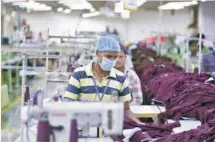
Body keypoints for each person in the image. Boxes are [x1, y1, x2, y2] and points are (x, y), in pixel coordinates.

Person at [64, 36, 143, 124]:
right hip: (83, 126)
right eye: (108, 56)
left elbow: (126, 110)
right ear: (98, 53)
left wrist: (141, 125)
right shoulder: (79, 74)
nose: (112, 60)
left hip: (109, 127)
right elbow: (68, 105)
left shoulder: (121, 78)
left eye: (115, 57)